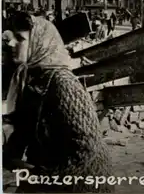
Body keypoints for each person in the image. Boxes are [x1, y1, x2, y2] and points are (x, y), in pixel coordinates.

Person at [2, 12, 114, 193]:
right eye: (12, 37)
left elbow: (86, 149)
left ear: (39, 42)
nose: (12, 44)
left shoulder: (63, 83)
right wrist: (8, 156)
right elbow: (24, 125)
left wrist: (41, 177)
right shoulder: (30, 77)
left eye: (20, 39)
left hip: (81, 182)